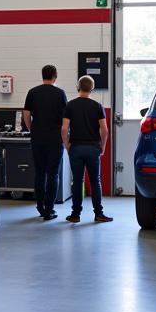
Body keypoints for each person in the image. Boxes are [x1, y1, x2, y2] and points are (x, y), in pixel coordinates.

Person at [61, 75, 113, 224]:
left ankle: (75, 214)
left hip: (75, 148)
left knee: (77, 181)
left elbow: (64, 129)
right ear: (92, 88)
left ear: (78, 87)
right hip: (92, 148)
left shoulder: (70, 105)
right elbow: (105, 130)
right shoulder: (97, 106)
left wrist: (67, 145)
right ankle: (99, 214)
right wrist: (102, 146)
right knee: (95, 181)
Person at [22, 65, 68, 221]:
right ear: (55, 76)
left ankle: (40, 207)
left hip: (38, 138)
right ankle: (49, 209)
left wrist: (31, 129)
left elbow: (26, 114)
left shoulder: (32, 92)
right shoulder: (60, 94)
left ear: (42, 75)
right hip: (55, 139)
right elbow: (65, 119)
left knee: (40, 172)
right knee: (53, 173)